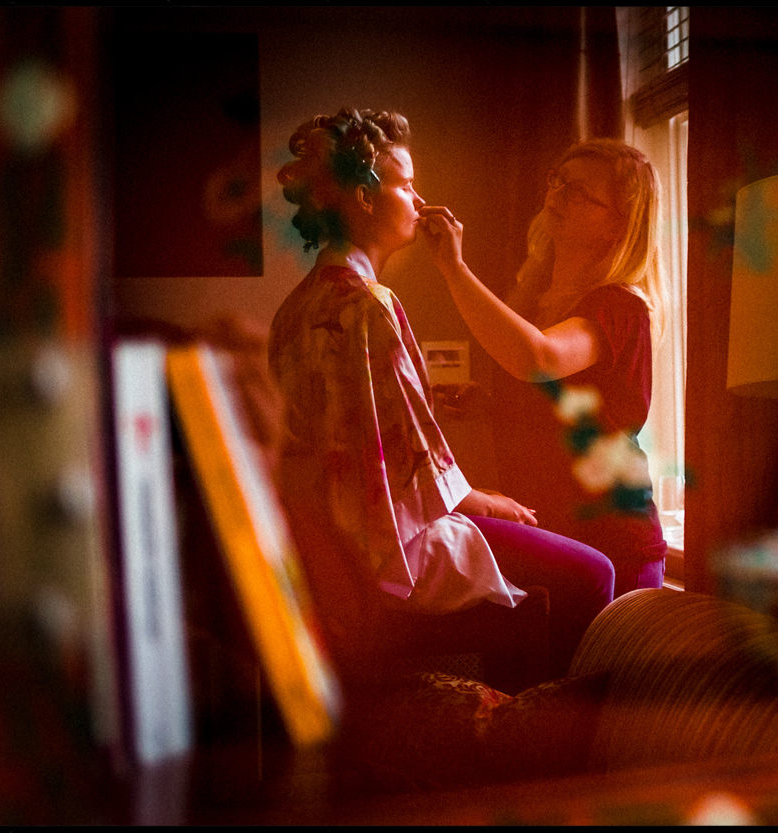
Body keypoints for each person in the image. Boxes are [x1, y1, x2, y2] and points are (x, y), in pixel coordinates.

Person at [267, 108, 614, 685]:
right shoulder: (369, 304)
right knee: (591, 572)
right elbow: (405, 461)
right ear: (366, 198)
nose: (419, 198)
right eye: (405, 184)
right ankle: (556, 746)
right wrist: (479, 499)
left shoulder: (296, 307)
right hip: (388, 544)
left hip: (335, 545)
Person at [420, 138, 668, 598]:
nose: (556, 195)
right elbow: (562, 403)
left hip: (613, 541)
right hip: (549, 529)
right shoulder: (538, 299)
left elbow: (538, 360)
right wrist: (491, 403)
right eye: (558, 181)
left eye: (578, 192)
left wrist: (453, 268)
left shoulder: (620, 305)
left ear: (619, 224)